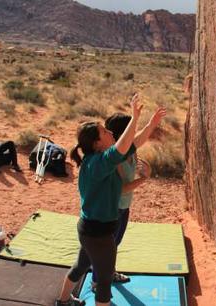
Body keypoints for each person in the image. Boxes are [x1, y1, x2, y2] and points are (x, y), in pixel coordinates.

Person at [55, 94, 166, 306]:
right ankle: (63, 301)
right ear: (97, 143)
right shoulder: (100, 163)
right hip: (98, 232)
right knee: (104, 281)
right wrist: (134, 117)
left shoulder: (98, 159)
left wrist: (151, 123)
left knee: (81, 265)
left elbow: (133, 143)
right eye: (105, 132)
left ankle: (62, 301)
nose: (110, 132)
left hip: (89, 229)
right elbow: (123, 144)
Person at [89, 113, 152, 285]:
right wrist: (144, 179)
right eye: (131, 128)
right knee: (105, 247)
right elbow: (120, 189)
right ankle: (97, 281)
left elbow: (142, 136)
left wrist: (152, 121)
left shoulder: (130, 149)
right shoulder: (114, 158)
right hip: (112, 209)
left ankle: (110, 273)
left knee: (114, 244)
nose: (135, 131)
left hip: (123, 207)